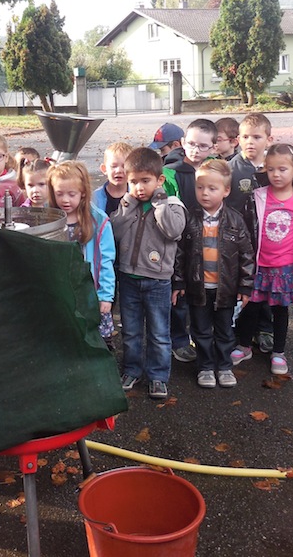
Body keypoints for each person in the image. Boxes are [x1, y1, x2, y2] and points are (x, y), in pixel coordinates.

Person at [231, 143, 293, 376]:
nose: (276, 175)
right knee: (251, 307)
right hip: (259, 265)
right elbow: (247, 231)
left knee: (280, 311)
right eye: (271, 170)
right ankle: (244, 346)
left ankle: (278, 352)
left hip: (285, 267)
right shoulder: (257, 196)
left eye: (282, 169)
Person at [110, 147, 187, 400]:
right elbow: (115, 232)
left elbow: (173, 231)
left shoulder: (173, 205)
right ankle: (132, 370)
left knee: (159, 333)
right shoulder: (128, 205)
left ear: (159, 180)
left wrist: (160, 203)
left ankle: (158, 376)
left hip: (157, 281)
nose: (139, 187)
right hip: (128, 278)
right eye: (133, 182)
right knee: (131, 331)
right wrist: (128, 204)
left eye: (145, 181)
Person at [173, 159, 255, 388]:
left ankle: (225, 366)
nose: (205, 193)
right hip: (198, 287)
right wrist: (178, 282)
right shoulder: (189, 218)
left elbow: (246, 255)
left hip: (225, 289)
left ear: (226, 190)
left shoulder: (235, 220)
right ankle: (206, 366)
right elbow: (179, 253)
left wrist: (245, 285)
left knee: (225, 330)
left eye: (212, 188)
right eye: (200, 187)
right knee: (200, 330)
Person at [163, 118, 219, 364]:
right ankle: (178, 339)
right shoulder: (171, 172)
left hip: (208, 241)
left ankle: (201, 335)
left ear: (213, 147)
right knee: (179, 293)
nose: (196, 150)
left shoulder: (217, 170)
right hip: (179, 243)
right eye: (192, 144)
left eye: (203, 146)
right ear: (183, 142)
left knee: (202, 292)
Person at [47, 161, 116, 348]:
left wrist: (105, 295)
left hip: (89, 291)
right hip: (61, 292)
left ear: (83, 192)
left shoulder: (98, 221)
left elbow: (105, 261)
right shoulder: (47, 218)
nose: (65, 200)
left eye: (72, 194)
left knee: (97, 340)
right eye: (59, 194)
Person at [225, 112, 275, 353]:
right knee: (242, 286)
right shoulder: (231, 169)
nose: (250, 142)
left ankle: (264, 329)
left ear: (269, 139)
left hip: (268, 241)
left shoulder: (274, 168)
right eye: (245, 137)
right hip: (240, 242)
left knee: (266, 286)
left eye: (257, 137)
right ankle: (237, 330)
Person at [92, 141, 133, 217]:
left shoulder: (136, 195)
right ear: (104, 169)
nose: (119, 170)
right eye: (113, 166)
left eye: (124, 166)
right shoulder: (95, 198)